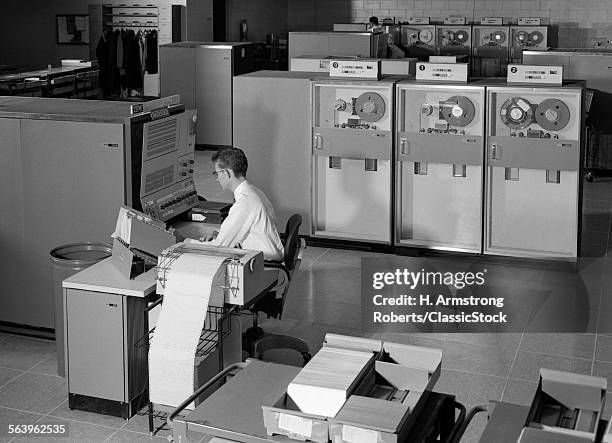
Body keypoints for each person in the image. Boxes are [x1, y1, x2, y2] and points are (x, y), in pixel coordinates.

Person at [189, 147, 284, 261]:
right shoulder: (253, 192)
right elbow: (239, 227)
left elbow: (219, 247)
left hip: (265, 263)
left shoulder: (244, 203)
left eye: (217, 173)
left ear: (227, 173)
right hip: (267, 255)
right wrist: (218, 234)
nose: (217, 179)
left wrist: (185, 242)